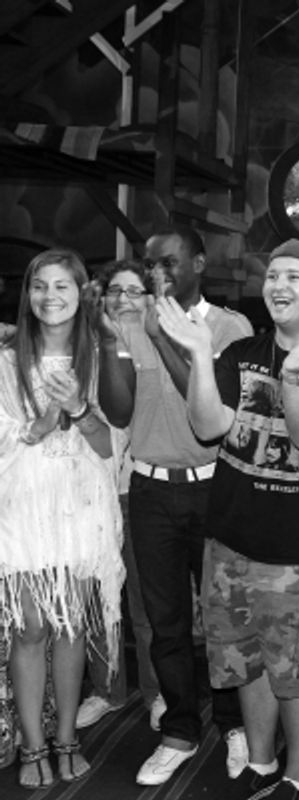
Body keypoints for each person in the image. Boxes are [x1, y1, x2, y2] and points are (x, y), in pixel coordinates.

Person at [157, 238, 299, 800]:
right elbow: (208, 426)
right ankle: (264, 764)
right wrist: (201, 356)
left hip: (298, 554)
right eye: (273, 275)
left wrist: (295, 378)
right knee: (245, 664)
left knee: (296, 674)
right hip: (228, 544)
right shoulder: (241, 353)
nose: (278, 286)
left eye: (294, 276)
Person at [96, 225, 250, 787]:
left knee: (223, 614)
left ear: (199, 264)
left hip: (216, 486)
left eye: (170, 261)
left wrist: (164, 335)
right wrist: (115, 336)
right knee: (166, 622)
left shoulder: (231, 328)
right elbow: (117, 412)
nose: (158, 271)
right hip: (151, 489)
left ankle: (235, 724)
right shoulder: (129, 325)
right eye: (151, 262)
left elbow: (213, 409)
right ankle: (180, 731)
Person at [0, 248, 124, 789]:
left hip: (78, 503)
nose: (50, 297)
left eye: (62, 287)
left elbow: (110, 446)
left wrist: (76, 408)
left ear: (80, 295)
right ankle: (32, 747)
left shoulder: (101, 355)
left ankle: (68, 736)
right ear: (28, 296)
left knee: (70, 624)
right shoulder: (6, 358)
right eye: (39, 286)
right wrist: (40, 423)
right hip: (23, 504)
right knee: (29, 625)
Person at [76, 260, 160, 729]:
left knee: (145, 605)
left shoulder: (158, 347)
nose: (124, 299)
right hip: (87, 492)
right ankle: (107, 689)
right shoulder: (84, 349)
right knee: (96, 598)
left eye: (134, 291)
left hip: (135, 489)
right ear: (100, 298)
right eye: (115, 291)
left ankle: (157, 692)